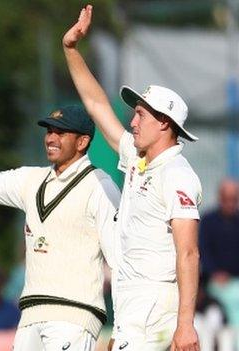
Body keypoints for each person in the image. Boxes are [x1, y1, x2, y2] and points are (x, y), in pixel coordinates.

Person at [63, 6, 202, 350]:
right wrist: (70, 50)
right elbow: (97, 106)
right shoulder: (138, 159)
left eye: (140, 114)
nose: (133, 122)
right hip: (130, 304)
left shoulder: (178, 175)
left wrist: (185, 326)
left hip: (155, 308)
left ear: (165, 123)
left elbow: (188, 254)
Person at [0, 96, 121, 350]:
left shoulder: (100, 186)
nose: (50, 138)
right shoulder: (30, 179)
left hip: (75, 316)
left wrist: (122, 328)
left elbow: (120, 262)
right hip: (30, 317)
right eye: (49, 131)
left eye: (61, 133)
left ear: (82, 141)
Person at [199, 179, 239, 285]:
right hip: (214, 280)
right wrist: (214, 273)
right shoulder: (208, 221)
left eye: (234, 200)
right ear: (220, 198)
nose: (230, 204)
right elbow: (203, 251)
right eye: (227, 199)